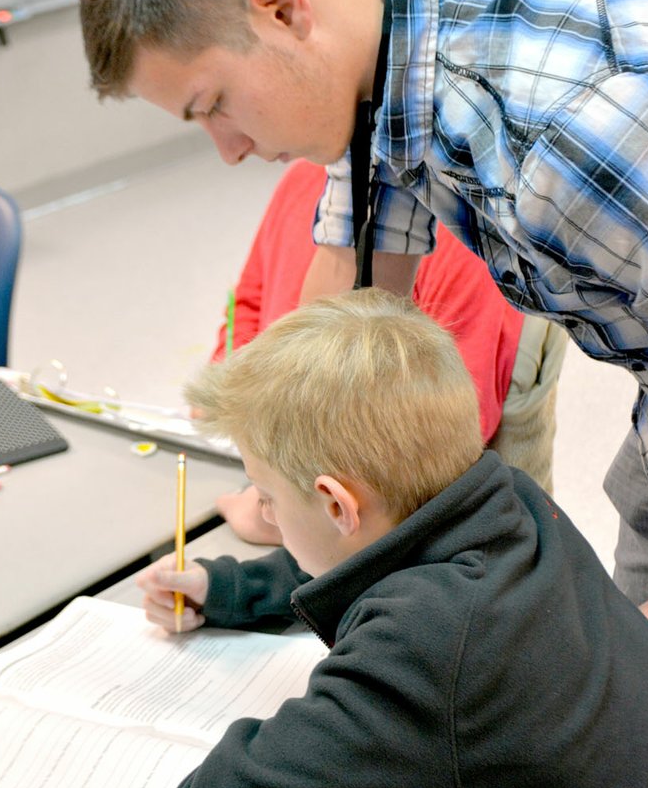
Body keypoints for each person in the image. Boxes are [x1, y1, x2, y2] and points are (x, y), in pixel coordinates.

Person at [80, 0, 648, 605]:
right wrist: (279, 514)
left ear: (281, 8)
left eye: (213, 104)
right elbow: (344, 317)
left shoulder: (572, 145)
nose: (227, 150)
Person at [138, 288, 648, 788]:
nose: (263, 513)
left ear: (335, 503)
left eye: (268, 497)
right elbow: (377, 549)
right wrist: (233, 588)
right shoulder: (512, 503)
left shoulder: (434, 645)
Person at [208, 157, 565, 542]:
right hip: (308, 485)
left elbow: (445, 442)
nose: (231, 152)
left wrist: (275, 512)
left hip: (398, 496)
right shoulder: (299, 179)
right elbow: (247, 304)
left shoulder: (452, 234)